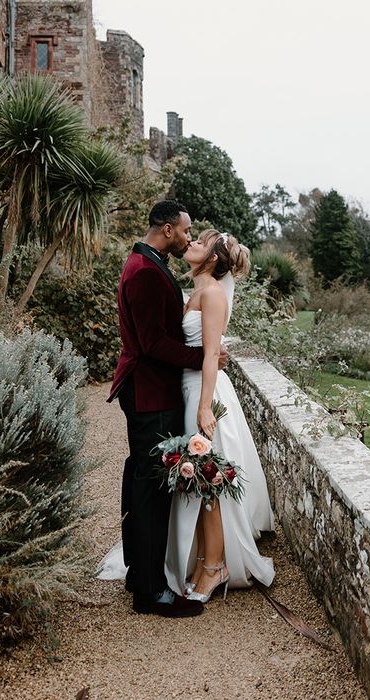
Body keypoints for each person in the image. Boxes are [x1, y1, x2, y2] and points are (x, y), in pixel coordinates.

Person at [106, 201, 227, 618]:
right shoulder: (143, 271)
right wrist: (203, 357)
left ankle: (141, 572)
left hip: (155, 392)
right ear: (169, 228)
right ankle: (151, 592)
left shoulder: (150, 264)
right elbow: (151, 344)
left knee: (147, 484)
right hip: (149, 394)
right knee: (151, 491)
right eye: (186, 230)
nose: (190, 237)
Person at [164, 228, 275, 602]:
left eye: (201, 242)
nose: (191, 242)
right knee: (194, 480)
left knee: (206, 479)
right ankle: (199, 560)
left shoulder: (211, 294)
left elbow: (212, 354)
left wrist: (203, 406)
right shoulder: (197, 289)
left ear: (212, 259)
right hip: (189, 387)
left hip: (204, 392)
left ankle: (215, 566)